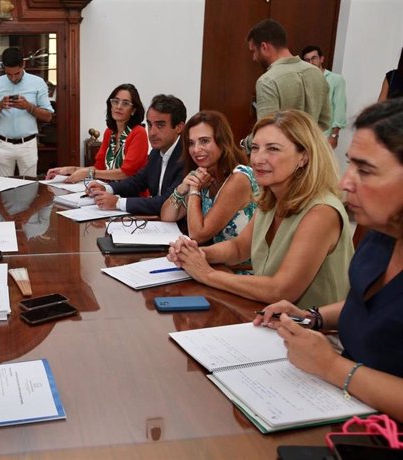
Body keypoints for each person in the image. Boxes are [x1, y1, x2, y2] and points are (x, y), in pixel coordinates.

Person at [254, 98, 403, 421]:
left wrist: (333, 366)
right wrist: (313, 316)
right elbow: (370, 307)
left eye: (364, 169)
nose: (344, 182)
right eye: (350, 164)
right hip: (346, 406)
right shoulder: (381, 234)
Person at [169, 110, 353, 308]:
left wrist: (207, 274)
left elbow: (280, 290)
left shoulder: (322, 211)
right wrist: (197, 254)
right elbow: (239, 247)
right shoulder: (272, 198)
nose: (257, 159)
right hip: (269, 317)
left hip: (313, 333)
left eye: (273, 149)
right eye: (255, 148)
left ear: (304, 157)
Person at [160, 110, 258, 245]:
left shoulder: (240, 178)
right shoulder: (206, 174)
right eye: (191, 143)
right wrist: (182, 189)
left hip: (241, 265)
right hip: (218, 260)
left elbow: (198, 234)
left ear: (222, 142)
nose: (196, 149)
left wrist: (194, 189)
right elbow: (167, 217)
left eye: (204, 141)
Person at [86, 94, 186, 215]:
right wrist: (106, 188)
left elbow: (166, 202)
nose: (152, 132)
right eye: (149, 124)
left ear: (179, 127)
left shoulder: (186, 158)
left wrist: (118, 203)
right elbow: (138, 181)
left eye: (160, 125)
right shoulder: (156, 152)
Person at [243, 19, 331, 151]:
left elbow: (266, 132)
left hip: (282, 159)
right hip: (312, 155)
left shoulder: (268, 81)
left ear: (264, 47)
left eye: (253, 51)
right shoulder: (316, 73)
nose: (254, 58)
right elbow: (325, 121)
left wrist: (245, 143)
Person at [45, 83, 148, 183]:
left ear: (133, 110)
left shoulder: (139, 132)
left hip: (132, 196)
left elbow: (126, 173)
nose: (119, 106)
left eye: (125, 103)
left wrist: (89, 173)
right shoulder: (110, 132)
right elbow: (99, 168)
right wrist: (70, 170)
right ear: (110, 105)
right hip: (108, 191)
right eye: (115, 101)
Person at [0, 47, 54, 177]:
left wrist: (29, 107)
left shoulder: (38, 83)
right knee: (3, 187)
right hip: (3, 145)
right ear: (3, 67)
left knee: (29, 186)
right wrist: (0, 106)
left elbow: (48, 116)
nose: (13, 78)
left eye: (17, 73)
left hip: (28, 144)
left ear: (23, 65)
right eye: (9, 74)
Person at [301, 45, 347, 149]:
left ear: (321, 59)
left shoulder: (336, 79)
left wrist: (334, 136)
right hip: (304, 134)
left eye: (314, 58)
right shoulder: (302, 80)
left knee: (321, 165)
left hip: (325, 135)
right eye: (307, 60)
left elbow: (340, 108)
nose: (311, 63)